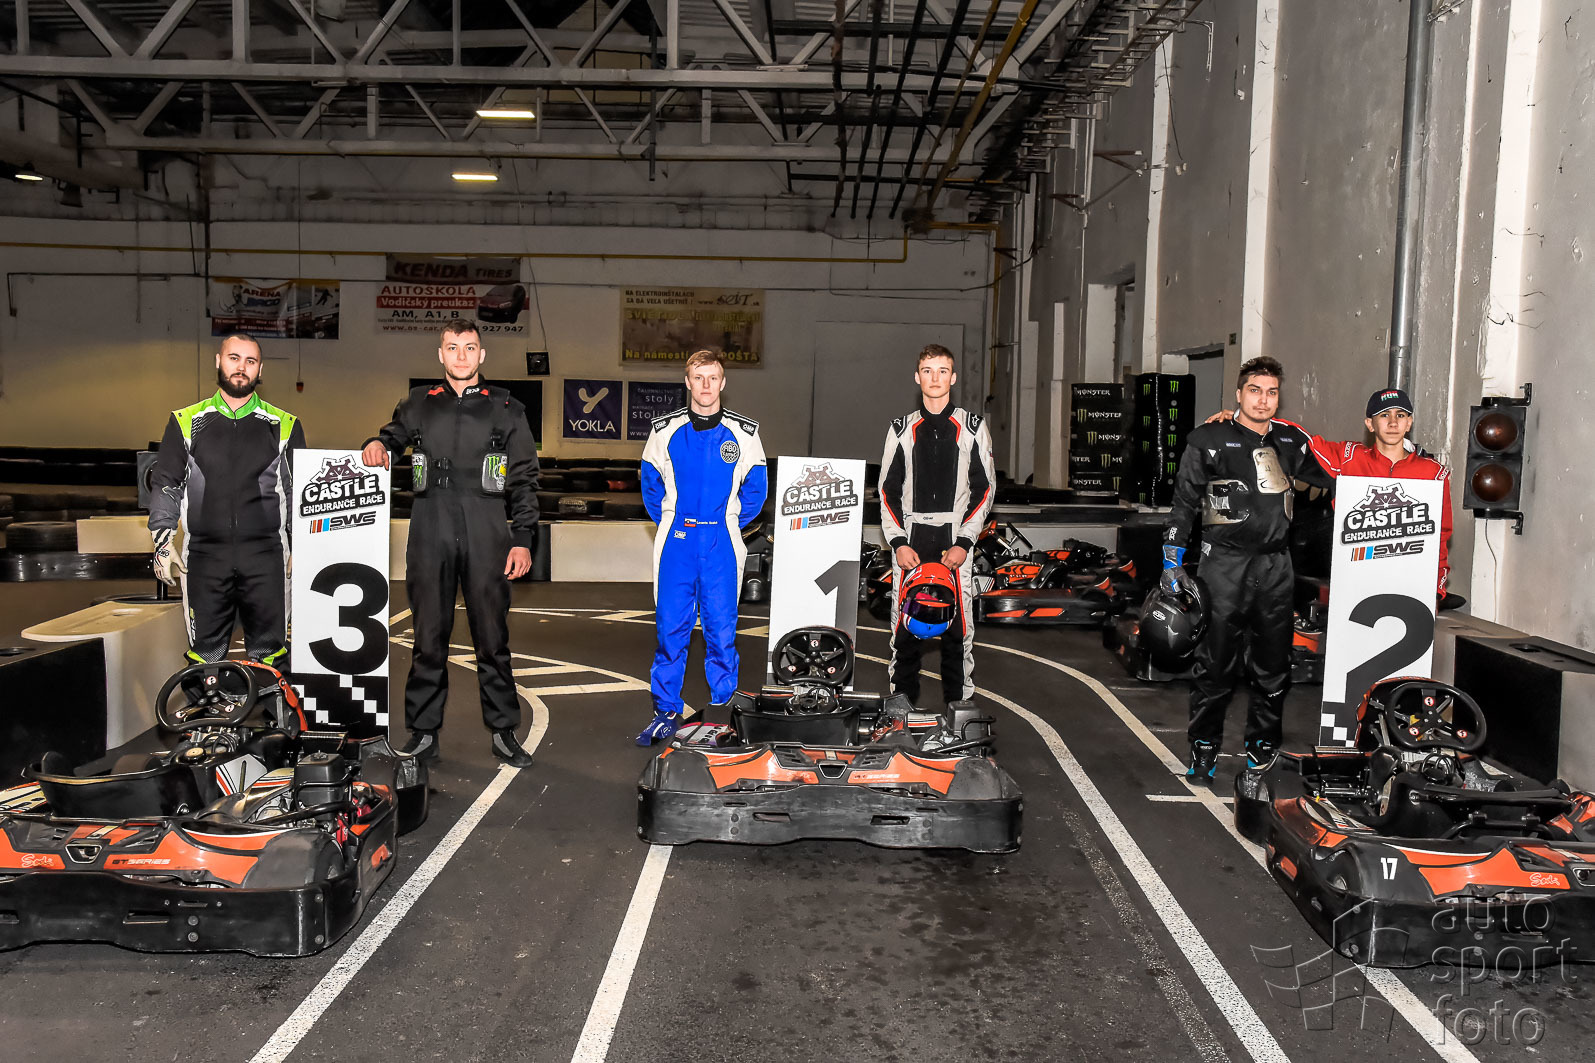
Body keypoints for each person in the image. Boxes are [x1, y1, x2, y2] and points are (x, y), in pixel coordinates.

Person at [361, 321, 540, 767]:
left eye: (470, 347)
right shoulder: (418, 402)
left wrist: (522, 538)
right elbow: (391, 438)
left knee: (492, 639)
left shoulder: (507, 407)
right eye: (453, 347)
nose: (462, 355)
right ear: (440, 354)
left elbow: (524, 478)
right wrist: (376, 444)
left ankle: (503, 733)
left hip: (486, 527)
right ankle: (423, 734)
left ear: (482, 355)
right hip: (430, 526)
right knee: (428, 638)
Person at [1163, 356, 1331, 783]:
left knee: (1273, 667)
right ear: (1238, 394)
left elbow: (1337, 473)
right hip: (1224, 565)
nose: (1263, 400)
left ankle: (1262, 751)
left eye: (1271, 392)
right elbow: (1184, 502)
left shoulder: (1292, 441)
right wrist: (1171, 561)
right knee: (1214, 664)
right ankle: (1204, 750)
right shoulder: (1208, 438)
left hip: (1276, 567)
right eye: (1255, 391)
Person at [149, 332, 305, 669]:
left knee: (271, 652)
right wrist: (162, 541)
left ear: (260, 369)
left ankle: (271, 703)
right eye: (234, 358)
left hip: (268, 557)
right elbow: (166, 483)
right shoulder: (185, 421)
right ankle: (207, 703)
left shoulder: (285, 424)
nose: (241, 367)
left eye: (250, 361)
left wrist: (303, 544)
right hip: (203, 556)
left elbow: (298, 490)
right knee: (205, 652)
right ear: (218, 361)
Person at [1206, 386, 1453, 598]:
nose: (1392, 422)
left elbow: (1441, 533)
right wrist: (1246, 421)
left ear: (1409, 422)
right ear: (1370, 424)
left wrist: (1437, 589)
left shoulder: (1433, 473)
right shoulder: (1348, 458)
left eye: (1400, 415)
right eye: (1383, 415)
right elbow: (1302, 440)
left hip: (1409, 584)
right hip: (1355, 583)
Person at [637, 348, 768, 745]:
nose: (706, 385)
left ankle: (722, 714)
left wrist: (726, 523)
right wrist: (673, 522)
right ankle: (665, 712)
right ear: (688, 382)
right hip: (676, 543)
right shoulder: (664, 431)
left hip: (721, 544)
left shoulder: (745, 434)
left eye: (713, 377)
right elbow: (649, 484)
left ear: (722, 383)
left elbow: (757, 490)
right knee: (670, 632)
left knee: (721, 633)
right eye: (699, 377)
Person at [879, 344, 996, 706]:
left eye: (942, 371)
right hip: (912, 539)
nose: (935, 378)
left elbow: (985, 488)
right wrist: (898, 542)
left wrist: (965, 541)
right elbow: (887, 489)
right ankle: (900, 712)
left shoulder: (973, 428)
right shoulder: (901, 429)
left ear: (953, 377)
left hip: (954, 542)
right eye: (928, 371)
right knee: (905, 631)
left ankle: (959, 712)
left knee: (958, 633)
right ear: (917, 377)